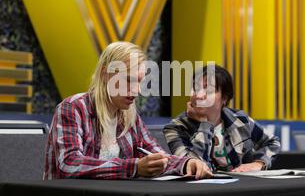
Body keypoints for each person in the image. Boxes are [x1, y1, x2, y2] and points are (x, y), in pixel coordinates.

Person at [44, 42, 212, 180]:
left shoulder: (128, 115)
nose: (137, 90)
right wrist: (134, 167)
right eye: (129, 80)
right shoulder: (73, 108)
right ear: (105, 75)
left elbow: (157, 156)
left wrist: (186, 164)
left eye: (139, 82)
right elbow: (70, 164)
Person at [163, 65, 281, 172]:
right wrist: (204, 124)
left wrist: (259, 163)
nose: (198, 95)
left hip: (240, 189)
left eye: (208, 90)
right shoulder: (175, 128)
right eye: (195, 88)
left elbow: (273, 142)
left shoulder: (240, 120)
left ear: (224, 98)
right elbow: (194, 167)